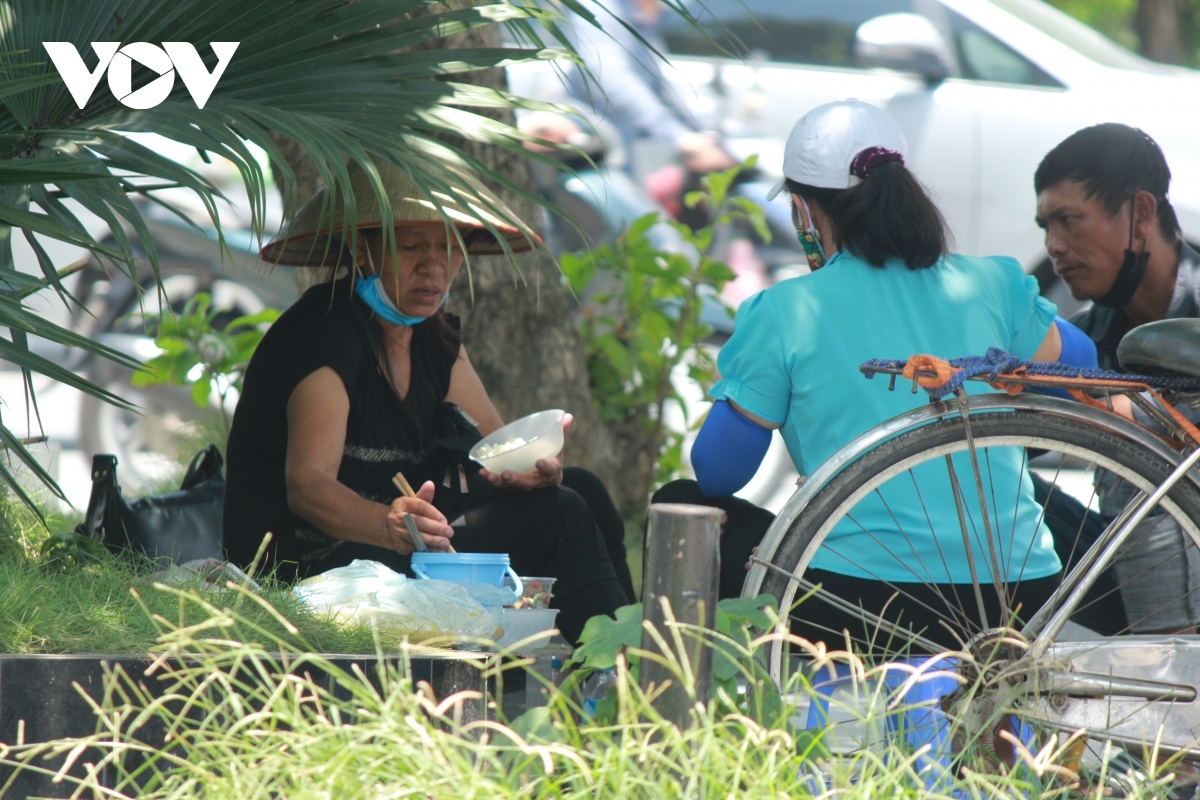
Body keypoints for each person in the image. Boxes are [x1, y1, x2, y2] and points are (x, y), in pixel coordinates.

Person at [652, 100, 1096, 650]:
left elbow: (719, 474)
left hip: (857, 600)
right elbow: (1080, 364)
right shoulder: (991, 282)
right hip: (1020, 592)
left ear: (804, 211)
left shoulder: (786, 310)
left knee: (682, 497)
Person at [222, 158, 634, 644]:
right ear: (363, 247)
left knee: (579, 490)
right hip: (313, 570)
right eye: (412, 246)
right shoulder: (325, 338)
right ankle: (625, 674)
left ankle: (623, 655)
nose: (433, 266)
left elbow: (494, 450)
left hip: (400, 547)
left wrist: (526, 472)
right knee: (559, 517)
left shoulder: (432, 339)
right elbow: (307, 486)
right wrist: (387, 523)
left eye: (448, 247)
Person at [1034, 123, 1200, 634]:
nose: (1054, 245)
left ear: (1142, 214)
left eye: (1069, 220)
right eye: (1045, 226)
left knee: (1140, 457)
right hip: (1136, 567)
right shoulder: (1083, 340)